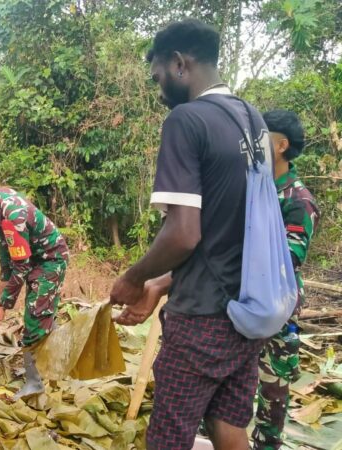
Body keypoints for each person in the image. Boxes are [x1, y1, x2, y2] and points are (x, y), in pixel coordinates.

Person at [109, 19, 274, 450]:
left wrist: (132, 277)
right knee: (229, 428)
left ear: (180, 64)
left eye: (159, 77)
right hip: (248, 314)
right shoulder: (251, 120)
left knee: (169, 437)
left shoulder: (187, 119)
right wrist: (160, 285)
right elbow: (230, 232)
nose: (159, 89)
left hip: (201, 321)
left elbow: (184, 235)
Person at [0, 172, 69, 400]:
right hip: (33, 258)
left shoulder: (13, 214)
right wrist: (2, 278)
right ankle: (62, 358)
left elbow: (22, 266)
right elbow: (5, 246)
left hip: (49, 260)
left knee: (34, 319)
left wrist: (3, 305)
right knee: (43, 315)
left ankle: (35, 383)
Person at [252, 110, 319, 450]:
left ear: (280, 145)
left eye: (260, 136)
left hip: (278, 311)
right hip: (242, 303)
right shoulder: (252, 186)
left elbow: (289, 260)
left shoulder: (298, 200)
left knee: (273, 393)